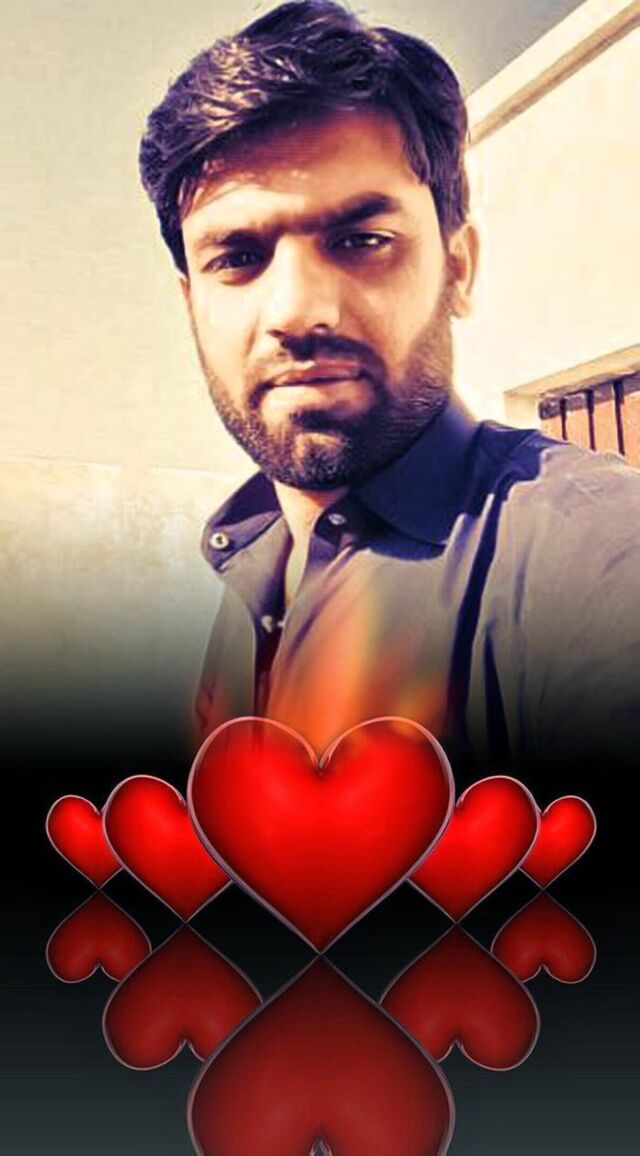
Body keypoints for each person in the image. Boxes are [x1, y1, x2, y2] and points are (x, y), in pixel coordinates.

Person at [139, 0, 640, 781]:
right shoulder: (250, 564)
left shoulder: (595, 558)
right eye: (237, 258)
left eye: (362, 240)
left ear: (458, 268)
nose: (297, 311)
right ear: (190, 303)